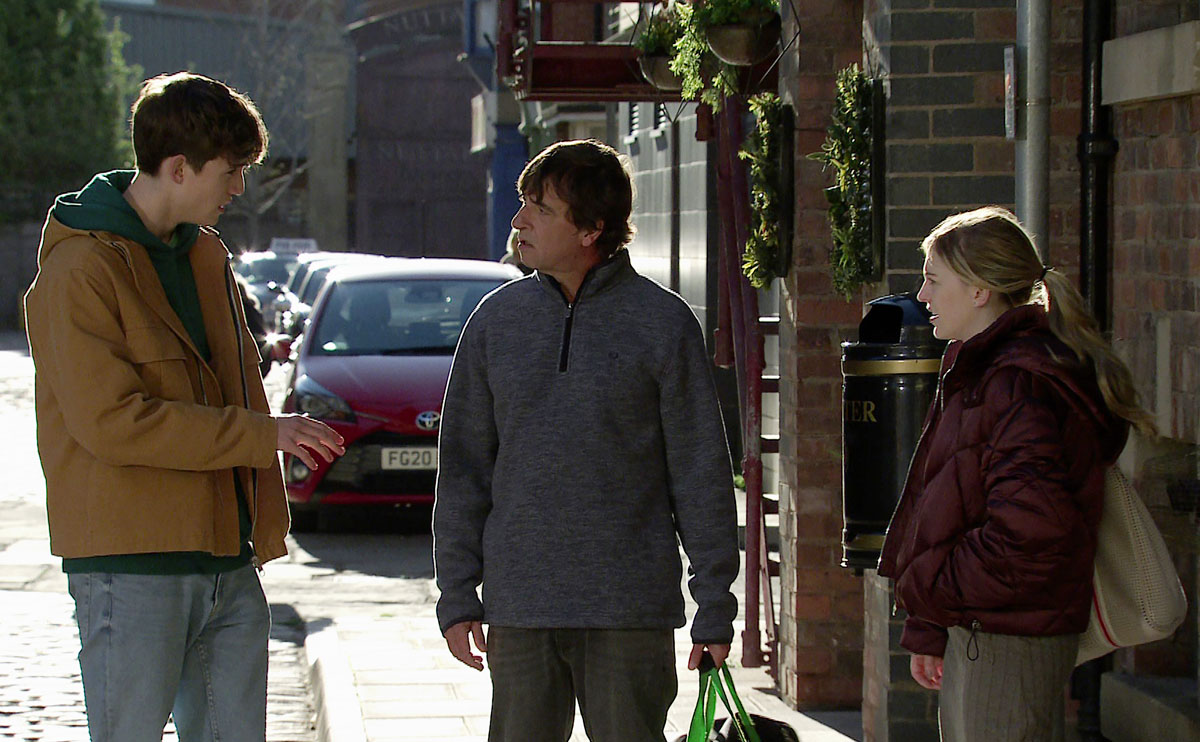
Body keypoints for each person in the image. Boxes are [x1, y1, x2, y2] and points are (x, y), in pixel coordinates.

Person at [24, 72, 345, 742]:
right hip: (131, 564)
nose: (239, 188)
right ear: (178, 168)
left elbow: (234, 384)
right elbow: (114, 423)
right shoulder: (79, 271)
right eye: (231, 172)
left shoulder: (204, 255)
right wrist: (263, 435)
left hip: (226, 559)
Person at [433, 139, 739, 742]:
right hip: (520, 607)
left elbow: (700, 471)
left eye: (541, 208)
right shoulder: (495, 322)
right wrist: (457, 594)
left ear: (591, 230)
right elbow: (464, 469)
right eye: (523, 202)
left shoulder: (662, 323)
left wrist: (714, 604)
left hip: (628, 610)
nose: (518, 221)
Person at [877, 206, 1156, 742]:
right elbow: (950, 504)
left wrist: (936, 586)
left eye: (934, 280)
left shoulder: (1017, 383)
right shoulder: (981, 368)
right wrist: (930, 626)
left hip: (1007, 638)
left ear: (979, 291)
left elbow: (1033, 536)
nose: (923, 296)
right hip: (980, 629)